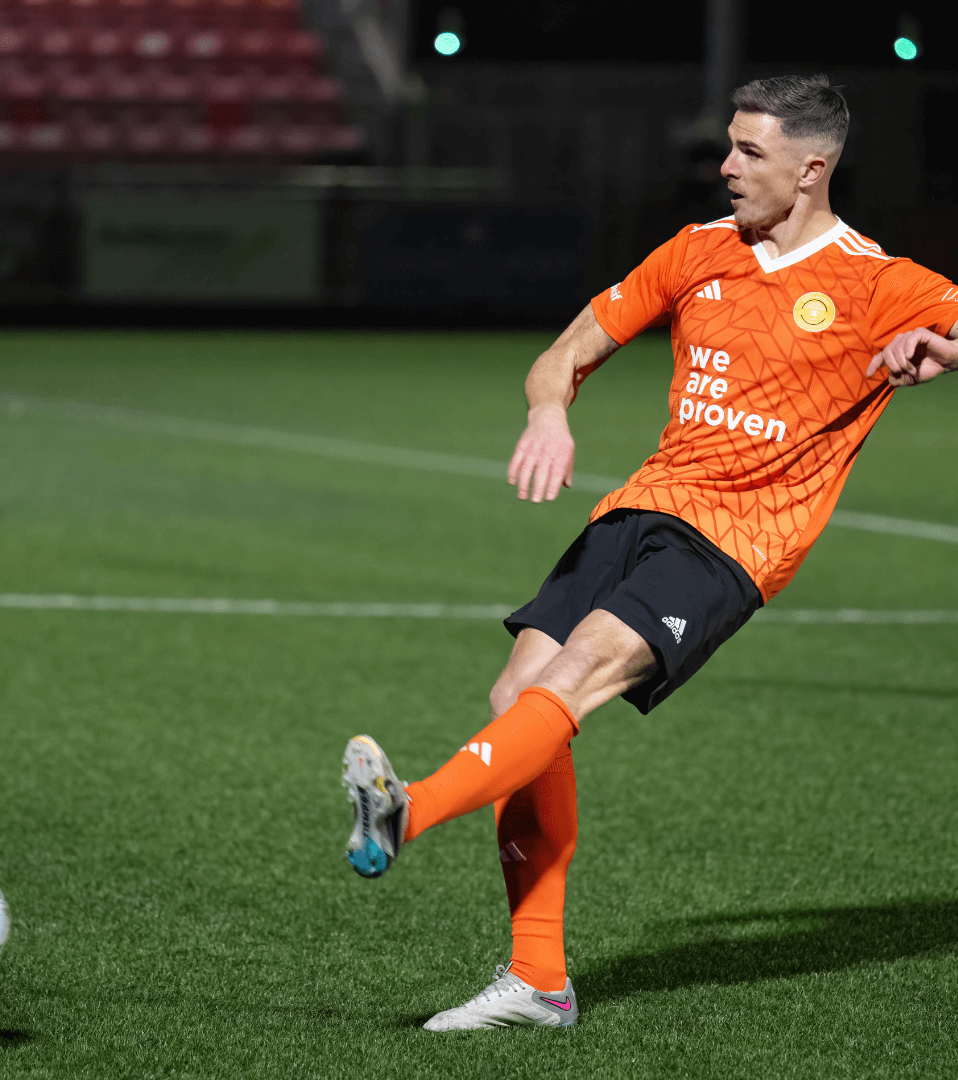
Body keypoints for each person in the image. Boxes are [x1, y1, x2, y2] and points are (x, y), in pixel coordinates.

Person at [339, 74, 958, 1030]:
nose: (724, 165)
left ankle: (409, 810)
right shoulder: (699, 251)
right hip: (642, 507)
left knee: (574, 680)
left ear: (811, 170)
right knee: (517, 701)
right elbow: (566, 352)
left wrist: (945, 350)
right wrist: (550, 412)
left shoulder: (880, 284)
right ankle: (538, 981)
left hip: (738, 538)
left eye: (749, 150)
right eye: (730, 144)